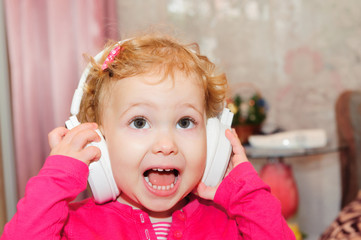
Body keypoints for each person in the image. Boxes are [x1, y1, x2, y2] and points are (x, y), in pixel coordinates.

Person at [1, 33, 296, 239]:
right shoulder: (71, 226)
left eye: (184, 122)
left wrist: (245, 193)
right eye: (140, 122)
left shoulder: (228, 223)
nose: (166, 145)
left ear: (213, 138)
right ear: (98, 141)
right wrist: (56, 180)